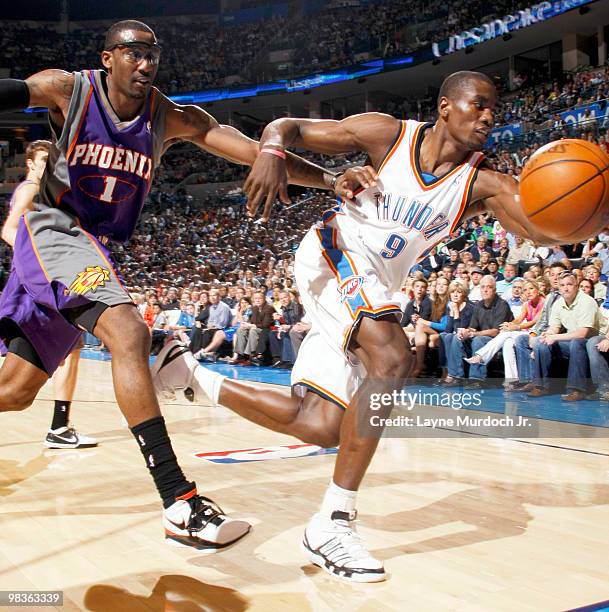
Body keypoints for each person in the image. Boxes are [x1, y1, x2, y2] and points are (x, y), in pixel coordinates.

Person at [153, 70, 558, 581]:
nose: (487, 116)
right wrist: (271, 153)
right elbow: (285, 126)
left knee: (319, 424)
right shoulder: (387, 134)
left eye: (493, 109)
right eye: (478, 104)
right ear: (444, 107)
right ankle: (334, 520)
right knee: (392, 358)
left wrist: (590, 209)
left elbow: (546, 226)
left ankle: (189, 375)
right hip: (334, 254)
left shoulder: (487, 184)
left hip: (375, 287)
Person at [0, 19, 346, 551]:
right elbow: (16, 91)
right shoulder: (72, 89)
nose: (144, 64)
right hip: (53, 232)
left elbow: (256, 152)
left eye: (152, 55)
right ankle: (178, 500)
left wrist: (329, 179)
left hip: (90, 249)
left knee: (15, 392)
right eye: (133, 53)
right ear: (108, 56)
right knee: (128, 333)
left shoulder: (170, 116)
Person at [1, 139, 97, 449]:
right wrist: (45, 258)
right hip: (34, 287)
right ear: (30, 164)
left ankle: (60, 425)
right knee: (14, 392)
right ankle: (59, 426)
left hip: (51, 287)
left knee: (72, 349)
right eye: (44, 161)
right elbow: (8, 231)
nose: (50, 166)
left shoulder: (47, 196)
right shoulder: (30, 189)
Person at [529, 271, 600, 401]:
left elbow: (582, 333)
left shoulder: (587, 301)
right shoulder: (559, 303)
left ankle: (577, 390)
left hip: (593, 342)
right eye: (562, 285)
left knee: (577, 342)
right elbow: (554, 328)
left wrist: (554, 337)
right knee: (541, 342)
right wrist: (548, 335)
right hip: (572, 341)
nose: (565, 288)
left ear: (576, 286)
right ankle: (541, 386)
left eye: (569, 284)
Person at [465, 279, 544, 381]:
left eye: (531, 289)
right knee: (507, 343)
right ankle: (512, 380)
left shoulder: (544, 302)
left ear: (537, 290)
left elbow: (534, 322)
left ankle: (481, 355)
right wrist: (510, 324)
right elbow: (519, 319)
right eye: (525, 290)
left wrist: (517, 327)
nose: (528, 292)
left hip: (537, 332)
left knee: (505, 334)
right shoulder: (526, 304)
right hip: (527, 331)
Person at [441, 275, 513, 386]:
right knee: (457, 337)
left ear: (495, 289)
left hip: (496, 340)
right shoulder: (478, 305)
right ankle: (455, 375)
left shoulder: (502, 305)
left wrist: (473, 333)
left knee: (478, 340)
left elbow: (495, 331)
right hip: (480, 336)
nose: (485, 290)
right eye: (483, 287)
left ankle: (476, 379)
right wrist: (466, 332)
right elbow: (472, 327)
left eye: (489, 287)